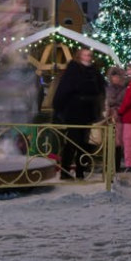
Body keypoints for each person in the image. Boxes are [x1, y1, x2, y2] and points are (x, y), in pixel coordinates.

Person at [51, 48, 104, 180]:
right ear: (79, 56)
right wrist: (58, 107)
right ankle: (65, 170)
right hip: (74, 111)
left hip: (88, 112)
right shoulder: (73, 70)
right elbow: (64, 90)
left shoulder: (94, 71)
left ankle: (81, 170)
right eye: (85, 55)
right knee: (73, 141)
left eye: (89, 55)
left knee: (84, 143)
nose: (88, 57)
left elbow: (100, 90)